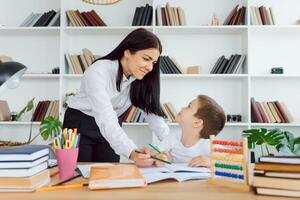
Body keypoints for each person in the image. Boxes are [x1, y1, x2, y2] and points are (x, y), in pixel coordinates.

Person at [63, 28, 169, 166]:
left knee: (109, 175)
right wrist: (132, 152)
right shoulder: (98, 71)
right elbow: (105, 116)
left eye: (153, 63)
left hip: (112, 126)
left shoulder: (140, 80)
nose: (150, 67)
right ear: (127, 52)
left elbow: (154, 116)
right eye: (146, 59)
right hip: (80, 123)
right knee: (78, 175)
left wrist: (171, 144)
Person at [153, 95, 225, 167]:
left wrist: (211, 162)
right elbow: (154, 152)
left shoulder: (208, 144)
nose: (182, 108)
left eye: (189, 106)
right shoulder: (173, 137)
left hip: (201, 178)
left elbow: (235, 160)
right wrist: (159, 157)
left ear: (197, 123)